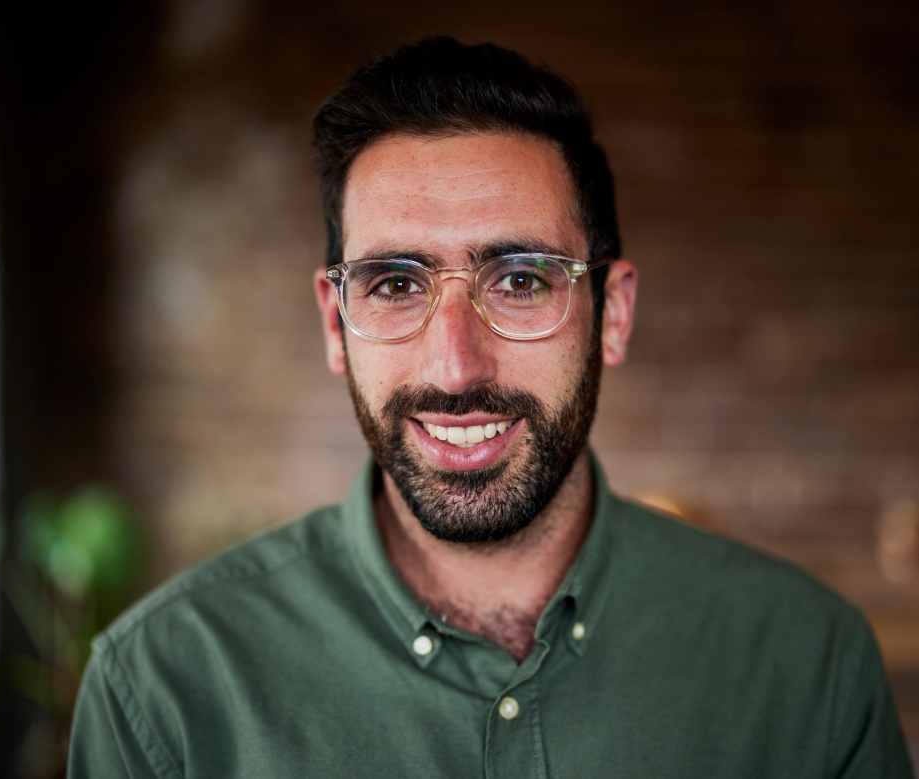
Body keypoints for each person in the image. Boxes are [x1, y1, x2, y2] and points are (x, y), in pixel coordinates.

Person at [67, 36, 913, 778]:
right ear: (336, 324)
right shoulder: (161, 691)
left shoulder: (809, 666)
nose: (454, 363)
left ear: (611, 314)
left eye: (519, 281)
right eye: (395, 284)